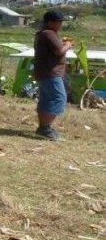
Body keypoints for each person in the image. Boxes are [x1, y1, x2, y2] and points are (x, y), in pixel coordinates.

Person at [33, 9, 72, 141]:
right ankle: (45, 128)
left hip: (44, 72)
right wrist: (68, 45)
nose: (61, 25)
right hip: (51, 73)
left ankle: (43, 127)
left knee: (46, 99)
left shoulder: (43, 34)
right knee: (59, 98)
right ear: (50, 23)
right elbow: (59, 51)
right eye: (59, 22)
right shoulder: (48, 33)